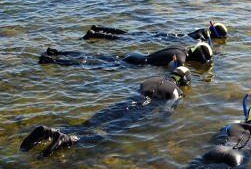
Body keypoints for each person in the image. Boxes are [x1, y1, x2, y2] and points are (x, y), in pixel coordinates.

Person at [19, 66, 192, 158]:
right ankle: (69, 139)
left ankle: (51, 131)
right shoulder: (177, 92)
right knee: (108, 132)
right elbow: (166, 113)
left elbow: (140, 89)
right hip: (140, 110)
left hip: (125, 102)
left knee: (88, 124)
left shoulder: (152, 78)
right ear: (184, 81)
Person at [38, 41, 213, 68]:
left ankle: (59, 52)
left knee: (99, 57)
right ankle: (52, 61)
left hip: (136, 54)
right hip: (137, 64)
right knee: (91, 64)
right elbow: (173, 73)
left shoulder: (181, 49)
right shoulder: (181, 60)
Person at [82, 22, 228, 42]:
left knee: (128, 34)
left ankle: (98, 28)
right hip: (165, 39)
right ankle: (94, 35)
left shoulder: (203, 31)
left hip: (165, 34)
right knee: (126, 39)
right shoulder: (203, 37)